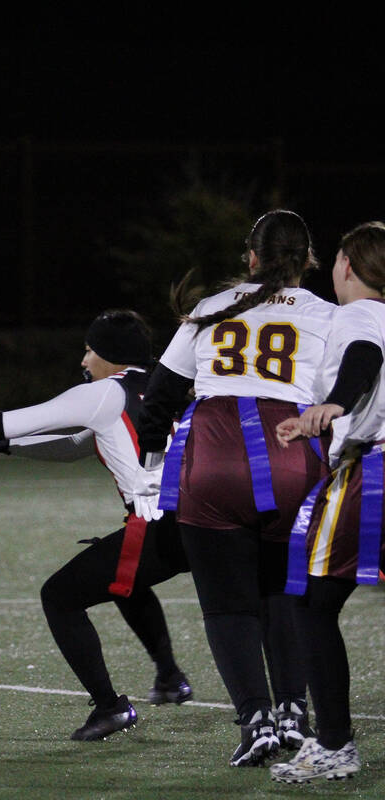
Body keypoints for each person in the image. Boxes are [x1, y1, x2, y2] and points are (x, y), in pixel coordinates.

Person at [0, 309, 193, 741]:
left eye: (90, 350)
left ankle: (111, 707)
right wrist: (0, 447)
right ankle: (176, 679)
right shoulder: (166, 386)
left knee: (60, 597)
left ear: (112, 355)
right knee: (137, 580)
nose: (84, 360)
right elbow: (73, 447)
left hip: (160, 524)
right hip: (205, 519)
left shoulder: (106, 393)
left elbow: (24, 418)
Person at [132, 210, 336, 767]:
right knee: (286, 595)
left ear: (251, 257)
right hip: (293, 454)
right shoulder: (326, 315)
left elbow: (159, 402)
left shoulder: (208, 310)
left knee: (227, 608)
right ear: (309, 261)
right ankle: (295, 710)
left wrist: (147, 472)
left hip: (214, 457)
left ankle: (256, 722)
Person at [269, 221, 385, 784]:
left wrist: (336, 403)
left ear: (348, 265)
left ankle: (334, 744)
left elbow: (362, 358)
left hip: (374, 469)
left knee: (312, 605)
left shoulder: (359, 314)